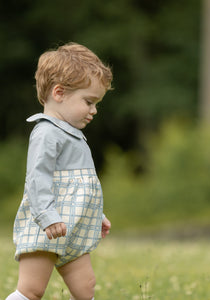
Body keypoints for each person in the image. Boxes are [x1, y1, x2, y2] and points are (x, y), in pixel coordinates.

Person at [6, 42, 113, 300]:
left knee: (86, 286)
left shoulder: (73, 136)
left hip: (73, 228)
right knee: (32, 289)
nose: (94, 110)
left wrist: (95, 214)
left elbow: (77, 185)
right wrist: (46, 215)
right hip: (47, 226)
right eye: (89, 101)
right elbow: (37, 178)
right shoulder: (46, 132)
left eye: (96, 103)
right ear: (59, 92)